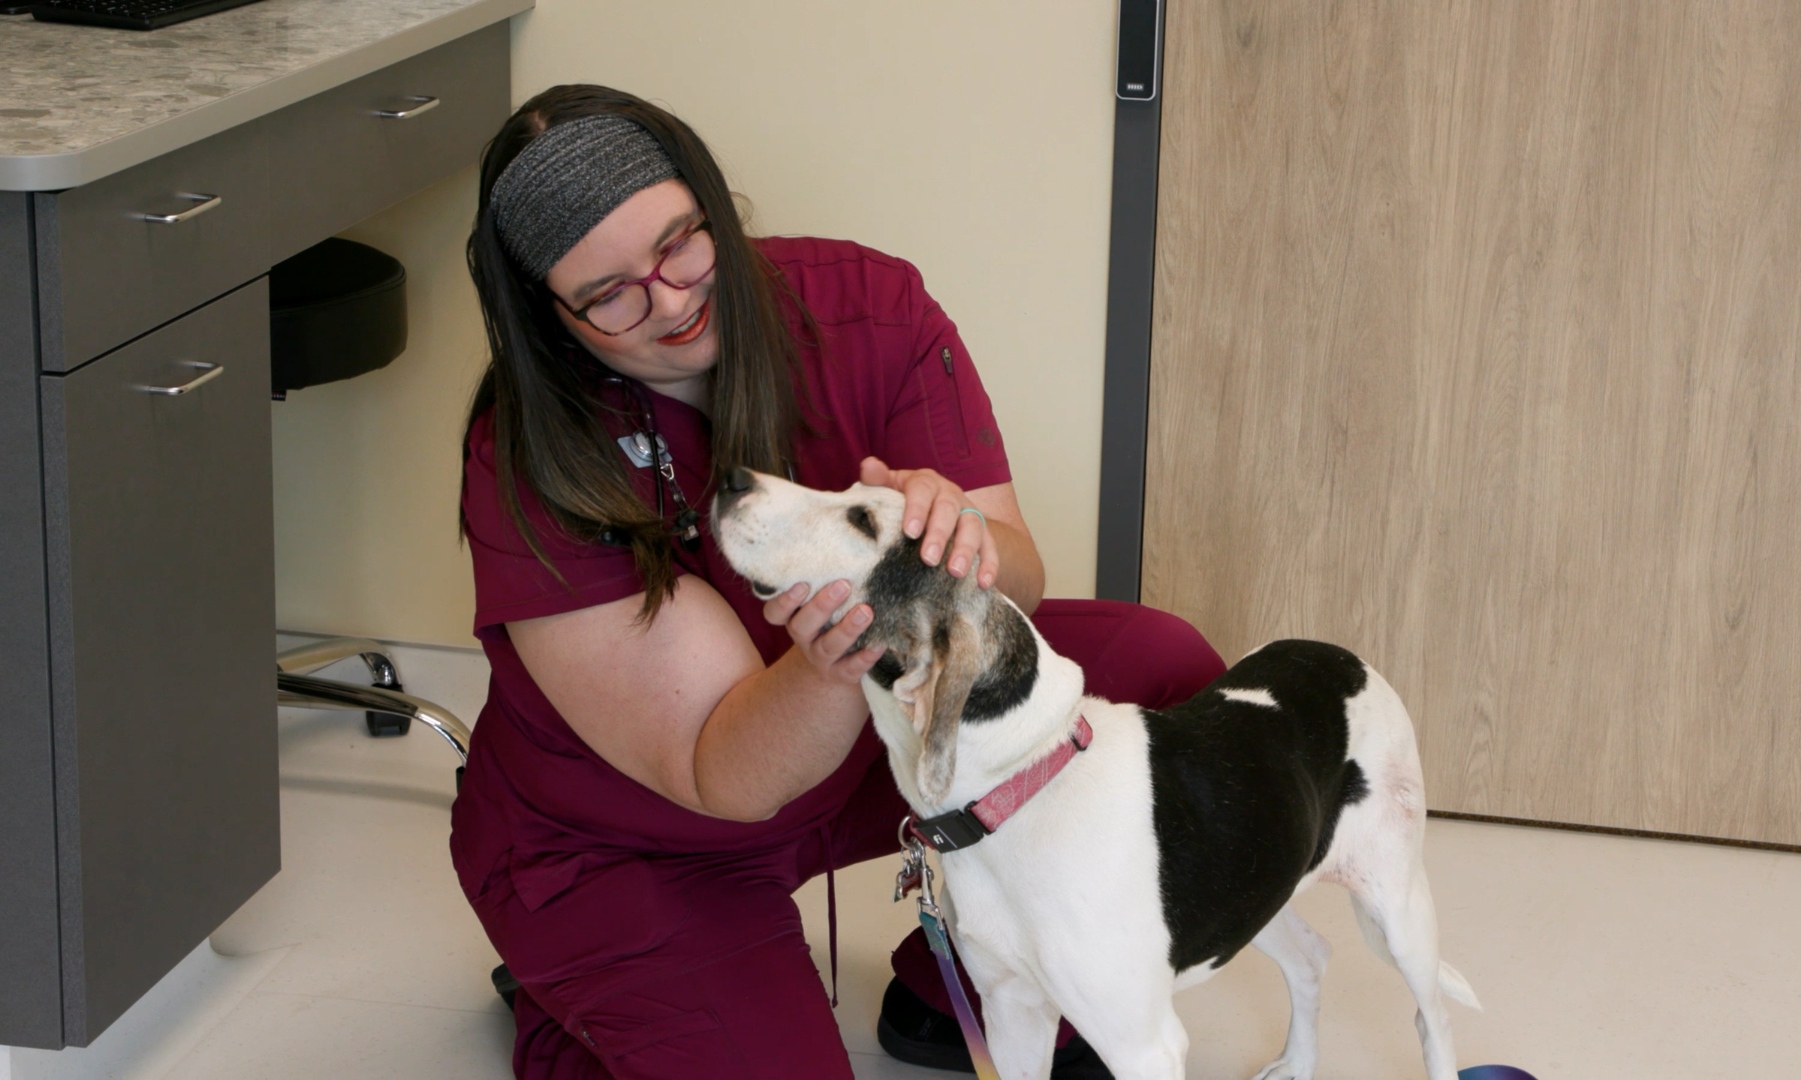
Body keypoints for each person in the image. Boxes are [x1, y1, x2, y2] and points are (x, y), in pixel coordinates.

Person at [450, 83, 1226, 1080]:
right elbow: (726, 776)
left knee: (1164, 674)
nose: (672, 301)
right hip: (632, 838)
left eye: (681, 243)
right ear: (551, 316)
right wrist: (833, 660)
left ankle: (969, 982)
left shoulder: (866, 308)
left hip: (867, 743)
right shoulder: (532, 456)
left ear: (713, 204)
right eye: (610, 295)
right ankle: (582, 990)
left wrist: (960, 543)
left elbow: (1018, 582)